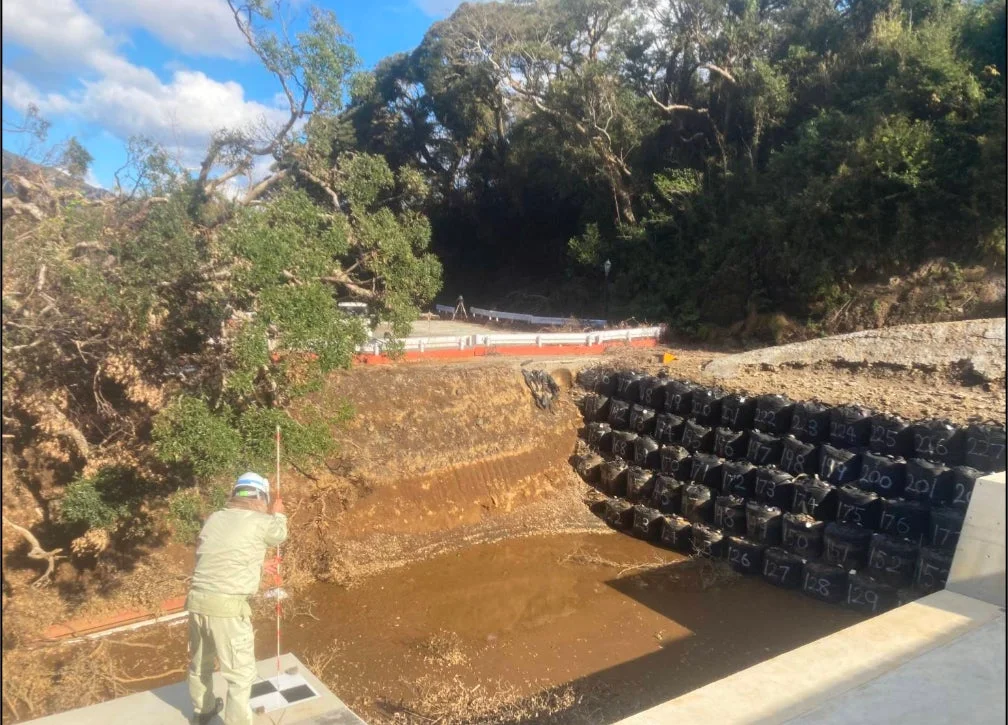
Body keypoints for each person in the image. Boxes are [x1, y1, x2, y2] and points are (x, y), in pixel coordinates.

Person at [186, 472, 287, 725]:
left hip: (197, 603)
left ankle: (203, 711)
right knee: (240, 676)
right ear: (261, 497)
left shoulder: (215, 518)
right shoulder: (261, 521)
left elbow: (222, 554)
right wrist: (279, 512)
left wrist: (259, 564)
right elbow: (278, 535)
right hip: (228, 609)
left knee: (201, 664)